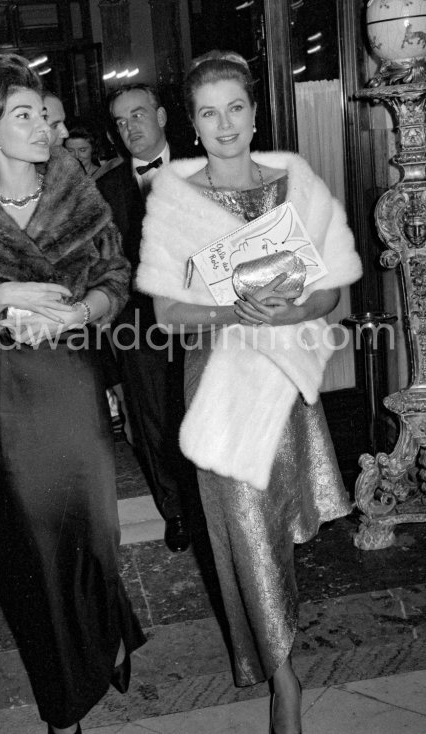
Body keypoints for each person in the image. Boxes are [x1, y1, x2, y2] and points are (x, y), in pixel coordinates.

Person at [0, 53, 145, 734]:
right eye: (24, 115)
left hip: (73, 385)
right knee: (35, 555)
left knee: (95, 535)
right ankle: (63, 705)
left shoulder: (73, 183)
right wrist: (2, 294)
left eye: (42, 110)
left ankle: (103, 635)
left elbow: (116, 277)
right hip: (7, 400)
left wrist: (85, 312)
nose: (43, 124)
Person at [137, 51, 362, 734]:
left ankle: (274, 640)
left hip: (285, 382)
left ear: (255, 112)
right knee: (244, 529)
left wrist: (293, 310)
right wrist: (235, 308)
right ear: (193, 124)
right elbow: (167, 317)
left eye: (236, 107)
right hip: (218, 387)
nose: (225, 123)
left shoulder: (293, 185)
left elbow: (331, 291)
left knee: (278, 525)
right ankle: (284, 678)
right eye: (210, 112)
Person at [96, 83, 197, 553]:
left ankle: (213, 508)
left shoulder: (205, 168)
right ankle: (175, 512)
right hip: (139, 329)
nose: (129, 128)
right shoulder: (103, 191)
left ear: (160, 115)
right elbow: (101, 273)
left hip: (206, 318)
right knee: (155, 423)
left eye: (137, 115)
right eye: (119, 121)